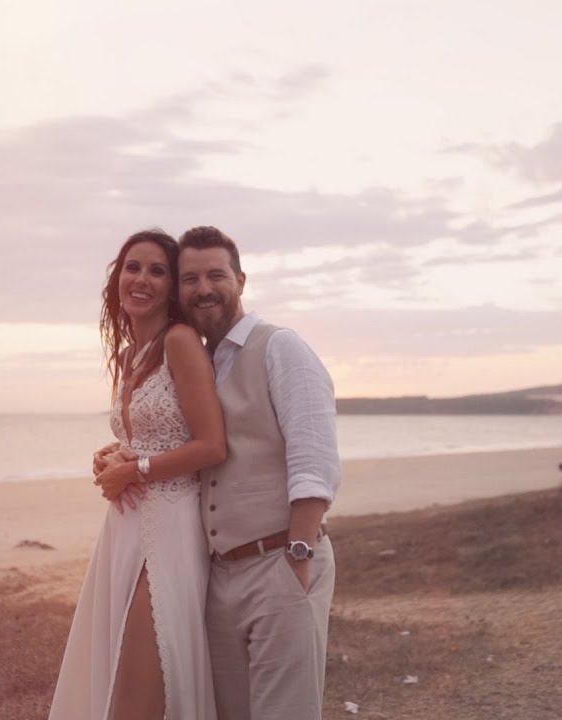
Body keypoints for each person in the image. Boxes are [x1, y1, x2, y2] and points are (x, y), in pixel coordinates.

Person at [48, 229, 225, 720]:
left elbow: (211, 444)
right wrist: (111, 458)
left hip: (168, 527)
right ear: (117, 278)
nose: (141, 279)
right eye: (132, 267)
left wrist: (137, 469)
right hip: (123, 530)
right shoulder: (130, 355)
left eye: (156, 270)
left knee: (142, 688)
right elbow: (148, 434)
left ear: (171, 287)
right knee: (115, 677)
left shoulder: (181, 342)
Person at [177, 225, 340, 720]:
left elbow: (314, 457)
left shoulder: (279, 346)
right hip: (220, 576)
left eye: (215, 275)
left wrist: (298, 554)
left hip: (280, 562)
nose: (203, 288)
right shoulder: (198, 363)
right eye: (189, 279)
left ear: (241, 280)